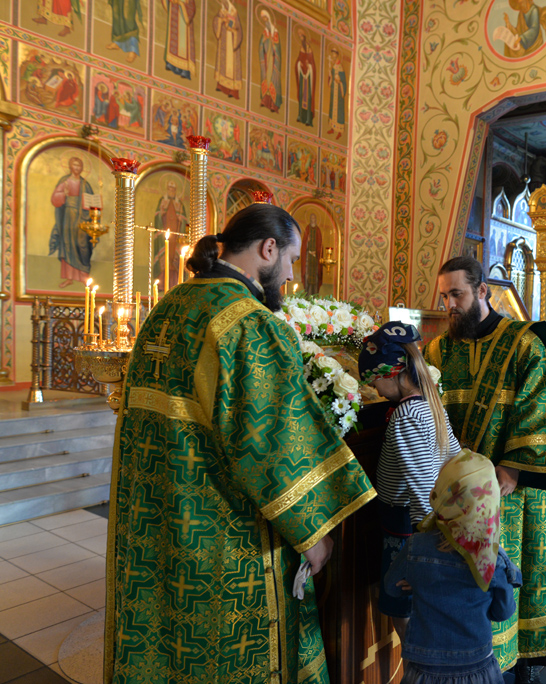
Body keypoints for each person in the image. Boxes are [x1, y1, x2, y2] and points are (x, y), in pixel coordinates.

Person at [104, 203, 376, 683]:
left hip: (156, 519)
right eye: (290, 260)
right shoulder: (249, 323)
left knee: (164, 639)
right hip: (226, 533)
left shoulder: (168, 309)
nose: (289, 276)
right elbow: (270, 442)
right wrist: (312, 532)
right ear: (267, 249)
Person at [426, 256, 546, 683]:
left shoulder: (523, 342)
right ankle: (471, 654)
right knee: (465, 574)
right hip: (456, 488)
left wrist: (508, 471)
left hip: (511, 488)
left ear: (483, 291)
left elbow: (539, 408)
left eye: (458, 294)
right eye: (445, 296)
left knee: (512, 572)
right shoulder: (437, 349)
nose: (450, 304)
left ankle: (520, 657)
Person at [384, 449, 523, 684]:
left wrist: (417, 580)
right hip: (477, 666)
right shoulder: (493, 560)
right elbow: (503, 612)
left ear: (442, 494)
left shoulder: (416, 546)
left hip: (425, 668)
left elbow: (391, 587)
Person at [359, 321, 460, 641]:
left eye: (373, 379)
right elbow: (455, 456)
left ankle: (420, 669)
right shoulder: (430, 404)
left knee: (402, 612)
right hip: (420, 523)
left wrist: (424, 556)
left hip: (409, 527)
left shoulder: (405, 416)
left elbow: (420, 488)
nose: (374, 389)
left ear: (391, 372)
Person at [48, 156, 94, 288]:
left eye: (79, 165)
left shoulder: (85, 184)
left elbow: (92, 203)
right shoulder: (65, 181)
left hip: (82, 217)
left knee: (82, 243)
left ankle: (84, 275)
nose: (77, 168)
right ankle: (69, 277)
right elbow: (55, 199)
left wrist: (93, 207)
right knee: (67, 243)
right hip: (68, 215)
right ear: (70, 166)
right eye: (74, 165)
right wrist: (64, 194)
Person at [212, 0, 243, 98]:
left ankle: (233, 91)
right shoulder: (222, 12)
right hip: (224, 42)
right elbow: (216, 21)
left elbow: (239, 32)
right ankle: (221, 85)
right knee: (223, 62)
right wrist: (221, 20)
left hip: (232, 45)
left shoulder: (235, 13)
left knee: (233, 67)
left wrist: (232, 30)